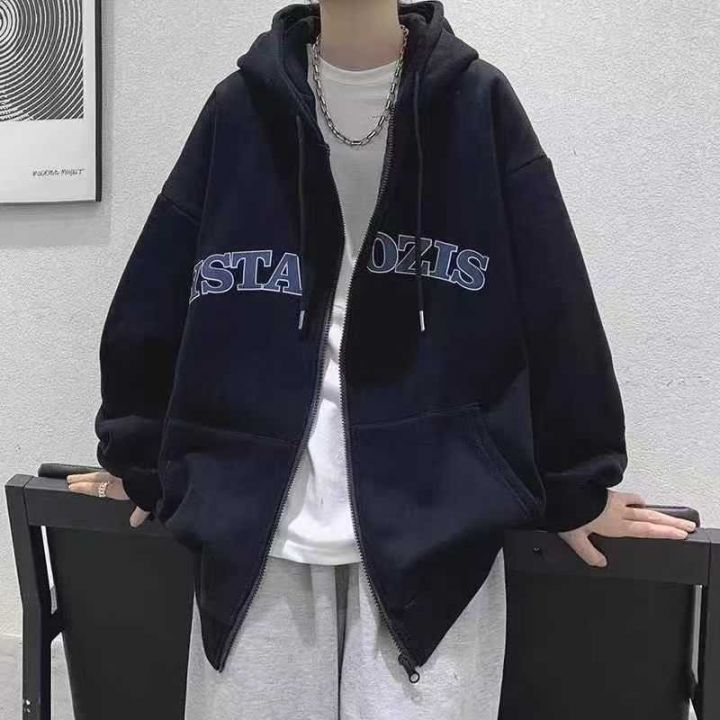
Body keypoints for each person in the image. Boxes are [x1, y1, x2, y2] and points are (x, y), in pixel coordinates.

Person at [67, 0, 696, 717]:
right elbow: (156, 290)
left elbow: (554, 300)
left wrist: (577, 482)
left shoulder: (478, 104)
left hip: (440, 533)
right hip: (255, 536)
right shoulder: (239, 110)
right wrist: (140, 455)